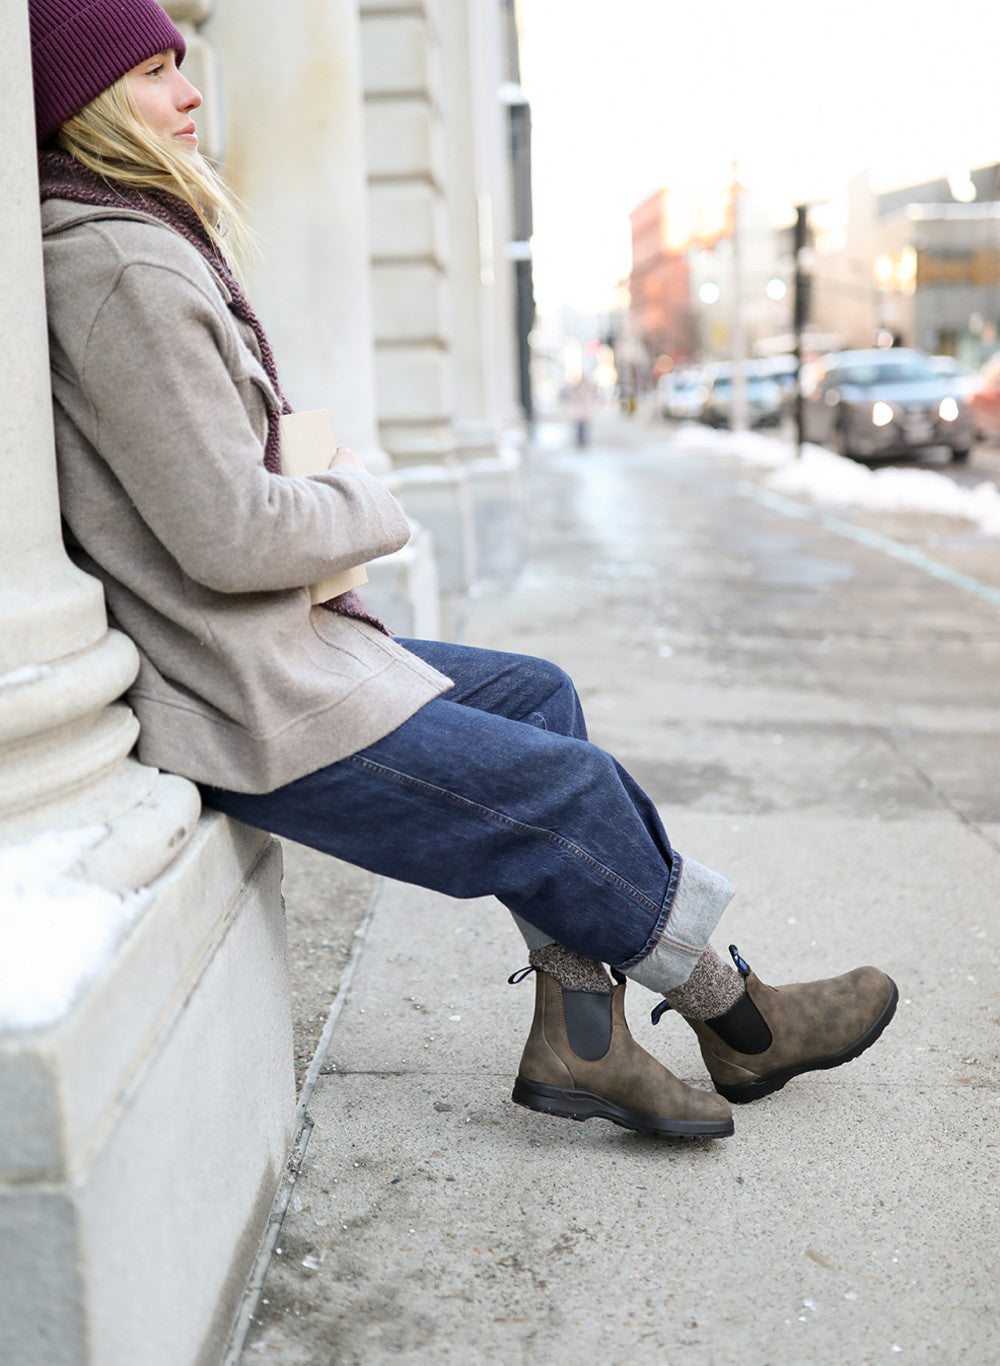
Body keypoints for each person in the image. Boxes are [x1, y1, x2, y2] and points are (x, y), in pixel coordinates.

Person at [29, 0, 898, 1142]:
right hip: (240, 694)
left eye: (181, 67)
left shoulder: (142, 238)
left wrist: (323, 470)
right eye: (150, 75)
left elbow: (240, 463)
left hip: (280, 649)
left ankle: (580, 1041)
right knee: (568, 795)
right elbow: (231, 533)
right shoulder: (117, 267)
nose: (191, 92)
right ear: (85, 107)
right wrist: (366, 498)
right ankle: (739, 1016)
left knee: (537, 694)